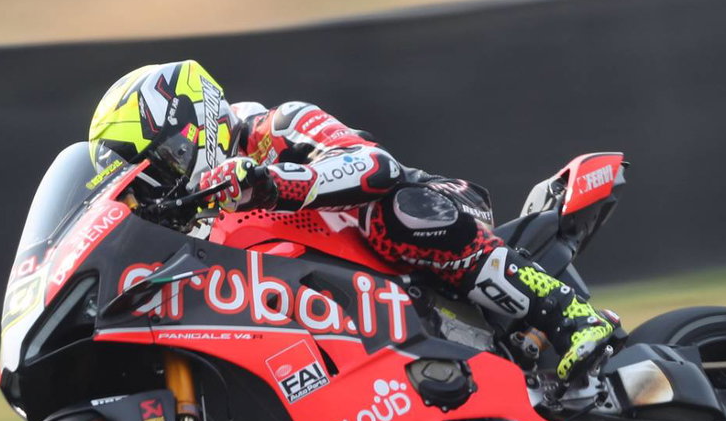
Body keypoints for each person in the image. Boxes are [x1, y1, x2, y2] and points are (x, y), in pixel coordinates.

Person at [86, 59, 614, 381]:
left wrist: (270, 182)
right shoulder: (203, 221)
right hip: (337, 315)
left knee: (395, 212)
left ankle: (570, 316)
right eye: (151, 178)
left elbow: (376, 167)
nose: (168, 181)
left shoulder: (277, 125)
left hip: (435, 209)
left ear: (194, 122)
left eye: (166, 161)